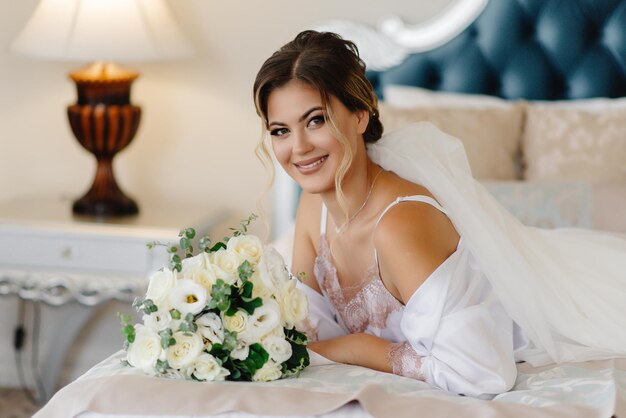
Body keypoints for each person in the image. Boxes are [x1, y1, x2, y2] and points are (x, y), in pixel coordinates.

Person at [252, 30, 626, 399]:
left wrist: (359, 348)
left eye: (315, 120)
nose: (298, 147)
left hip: (571, 307)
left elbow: (480, 372)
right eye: (281, 130)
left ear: (360, 115)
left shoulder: (399, 224)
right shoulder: (313, 206)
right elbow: (305, 334)